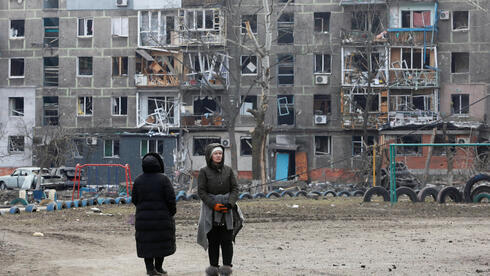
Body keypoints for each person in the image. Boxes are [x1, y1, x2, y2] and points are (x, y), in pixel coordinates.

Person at [197, 143, 243, 276]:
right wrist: (214, 205)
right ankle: (213, 267)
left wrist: (230, 203)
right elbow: (201, 191)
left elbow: (235, 188)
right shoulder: (204, 171)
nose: (218, 156)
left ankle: (227, 267)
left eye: (220, 153)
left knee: (227, 240)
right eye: (216, 153)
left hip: (227, 211)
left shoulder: (228, 170)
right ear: (210, 156)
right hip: (211, 212)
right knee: (213, 240)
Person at [132, 152, 176, 275]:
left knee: (147, 244)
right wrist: (171, 213)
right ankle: (159, 268)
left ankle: (150, 269)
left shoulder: (138, 180)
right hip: (162, 218)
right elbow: (171, 199)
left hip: (143, 219)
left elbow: (134, 199)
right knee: (160, 243)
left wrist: (142, 210)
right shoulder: (164, 179)